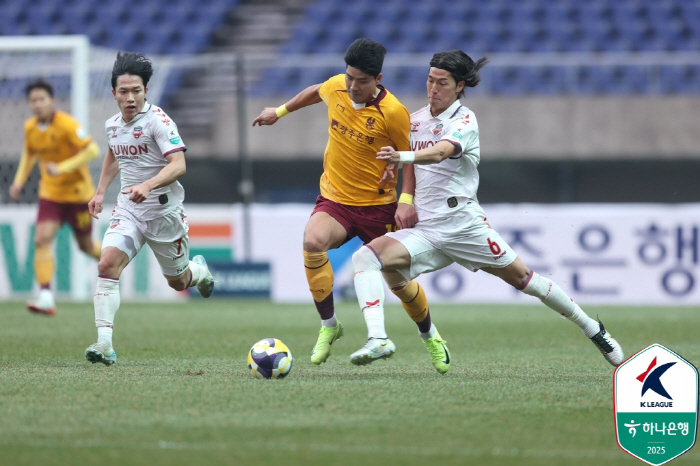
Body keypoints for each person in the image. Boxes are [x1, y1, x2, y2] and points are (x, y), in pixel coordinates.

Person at [351, 49, 624, 374]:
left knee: (525, 279)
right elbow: (409, 162)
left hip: (465, 227)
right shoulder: (416, 120)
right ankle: (383, 338)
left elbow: (440, 153)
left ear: (459, 85)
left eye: (442, 82)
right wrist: (405, 198)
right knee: (367, 259)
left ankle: (591, 328)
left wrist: (403, 157)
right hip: (426, 229)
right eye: (429, 80)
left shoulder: (464, 120)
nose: (433, 88)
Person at [252, 38, 411, 365]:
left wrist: (406, 198)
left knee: (399, 281)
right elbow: (317, 90)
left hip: (378, 206)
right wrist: (279, 112)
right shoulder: (338, 86)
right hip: (336, 199)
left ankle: (430, 334)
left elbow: (409, 157)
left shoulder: (394, 112)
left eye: (362, 81)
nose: (352, 86)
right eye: (349, 77)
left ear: (378, 80)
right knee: (313, 241)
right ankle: (329, 325)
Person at [84, 52, 214, 366]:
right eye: (124, 92)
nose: (130, 98)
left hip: (164, 213)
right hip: (128, 210)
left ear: (146, 92)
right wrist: (100, 192)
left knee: (179, 282)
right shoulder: (113, 124)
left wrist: (148, 185)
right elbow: (114, 155)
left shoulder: (158, 121)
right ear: (113, 93)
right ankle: (104, 343)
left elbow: (179, 164)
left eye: (137, 91)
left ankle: (201, 271)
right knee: (107, 265)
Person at [10, 80, 102, 316]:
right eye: (33, 100)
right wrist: (19, 181)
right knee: (41, 239)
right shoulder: (30, 128)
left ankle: (117, 260)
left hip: (78, 195)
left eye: (42, 99)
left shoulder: (68, 125)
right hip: (50, 194)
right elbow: (29, 155)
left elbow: (93, 150)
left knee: (87, 246)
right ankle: (46, 296)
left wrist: (61, 168)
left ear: (51, 101)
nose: (38, 104)